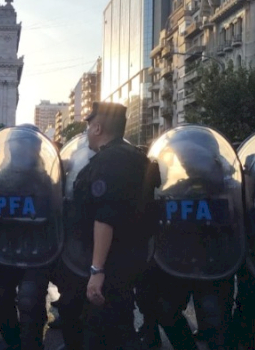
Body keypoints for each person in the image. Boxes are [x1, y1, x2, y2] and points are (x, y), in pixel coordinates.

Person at [73, 102, 153, 349]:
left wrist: (97, 271)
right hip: (132, 259)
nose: (86, 132)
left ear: (97, 127)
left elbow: (105, 217)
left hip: (111, 265)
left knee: (99, 332)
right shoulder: (136, 157)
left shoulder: (109, 161)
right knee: (121, 326)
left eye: (88, 126)